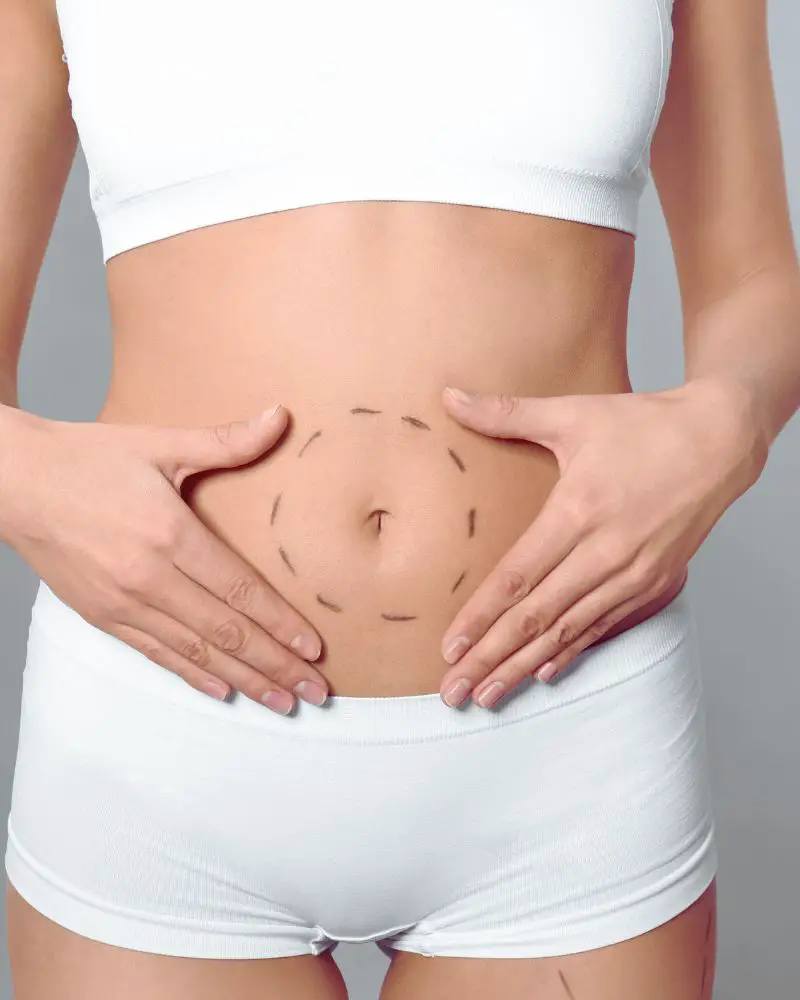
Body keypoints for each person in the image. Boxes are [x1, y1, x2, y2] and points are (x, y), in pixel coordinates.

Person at [2, 0, 798, 997]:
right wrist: (22, 479)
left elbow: (753, 278)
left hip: (568, 738)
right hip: (159, 734)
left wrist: (729, 421)